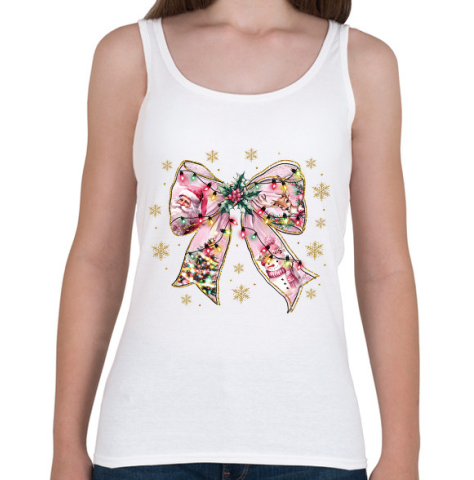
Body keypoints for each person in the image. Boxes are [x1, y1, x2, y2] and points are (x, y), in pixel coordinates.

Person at [50, 0, 420, 479]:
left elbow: (384, 271)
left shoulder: (362, 63)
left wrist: (403, 452)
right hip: (146, 444)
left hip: (313, 444)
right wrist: (65, 446)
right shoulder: (130, 55)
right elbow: (96, 260)